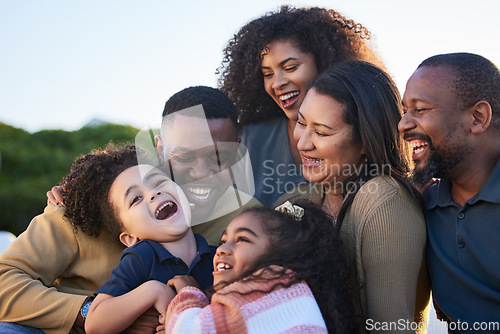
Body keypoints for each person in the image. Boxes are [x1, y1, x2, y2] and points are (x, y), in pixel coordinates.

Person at [277, 60, 429, 333]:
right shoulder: (298, 198)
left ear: (364, 142)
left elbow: (390, 327)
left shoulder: (385, 201)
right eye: (301, 122)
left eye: (322, 132)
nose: (303, 142)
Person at [219, 5, 385, 205]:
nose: (277, 83)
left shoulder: (364, 132)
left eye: (290, 67)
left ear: (324, 62)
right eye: (267, 74)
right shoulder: (248, 140)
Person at [398, 53, 500, 331]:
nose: (403, 124)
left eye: (420, 109)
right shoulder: (424, 205)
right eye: (404, 110)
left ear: (478, 118)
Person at [160, 200, 358, 333]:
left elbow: (186, 329)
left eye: (242, 239)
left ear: (281, 257)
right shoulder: (290, 294)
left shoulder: (267, 284)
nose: (221, 250)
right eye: (223, 241)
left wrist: (189, 294)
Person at [72, 150, 215, 333]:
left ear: (186, 200)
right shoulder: (141, 257)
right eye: (136, 199)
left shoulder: (217, 256)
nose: (154, 193)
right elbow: (94, 324)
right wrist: (153, 291)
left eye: (159, 182)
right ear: (130, 237)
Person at [0, 146, 133, 333]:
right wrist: (90, 312)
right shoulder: (73, 217)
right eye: (135, 197)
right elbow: (4, 284)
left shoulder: (181, 222)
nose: (154, 195)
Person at [154, 86, 260, 245]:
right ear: (160, 151)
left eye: (219, 158)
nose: (201, 173)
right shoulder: (125, 211)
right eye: (184, 157)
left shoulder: (251, 218)